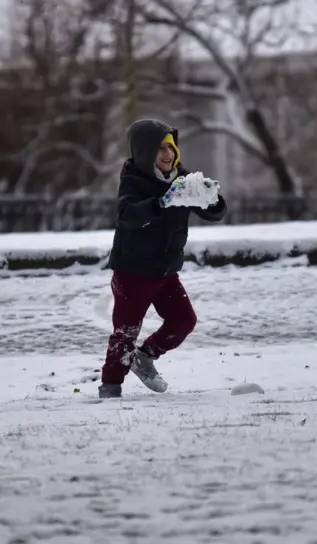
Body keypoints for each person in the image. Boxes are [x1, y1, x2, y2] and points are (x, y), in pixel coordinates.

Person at [98, 119, 228, 399]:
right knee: (125, 332)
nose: (167, 154)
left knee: (184, 321)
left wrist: (211, 198)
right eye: (159, 149)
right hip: (133, 272)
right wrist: (163, 202)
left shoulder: (182, 179)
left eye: (170, 148)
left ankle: (144, 358)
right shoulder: (134, 180)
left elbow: (214, 213)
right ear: (144, 153)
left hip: (166, 272)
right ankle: (110, 387)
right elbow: (128, 215)